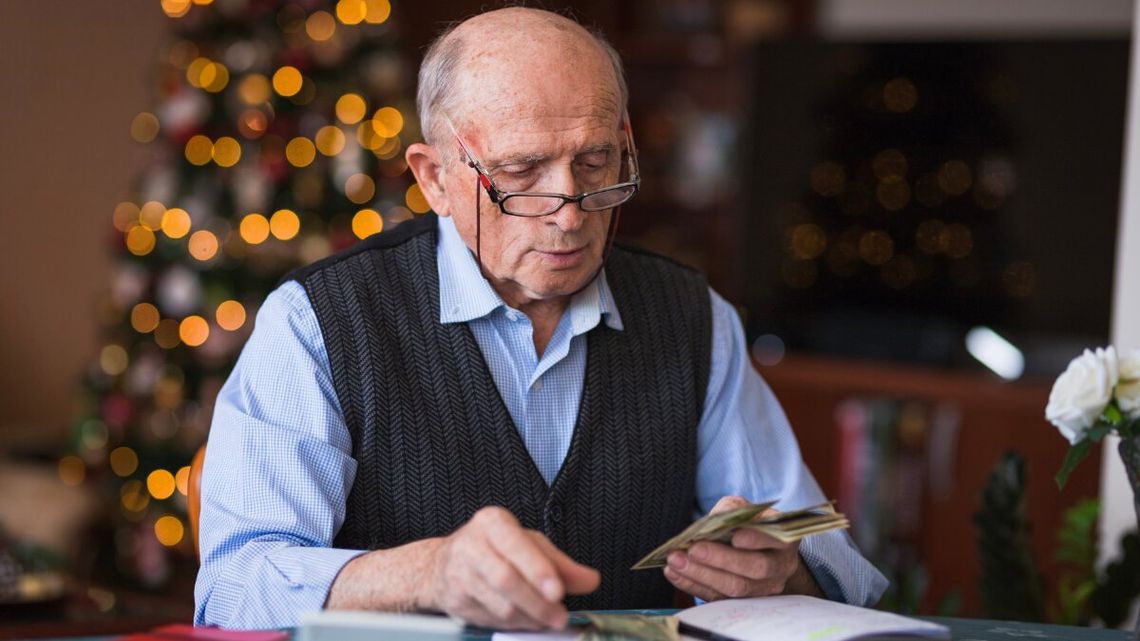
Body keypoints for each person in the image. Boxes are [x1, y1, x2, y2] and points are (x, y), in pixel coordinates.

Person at [193, 6, 887, 630]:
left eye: (595, 160)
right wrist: (423, 574)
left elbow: (822, 547)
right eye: (522, 171)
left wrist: (784, 571)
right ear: (434, 176)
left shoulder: (693, 317)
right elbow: (231, 591)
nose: (571, 208)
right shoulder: (319, 323)